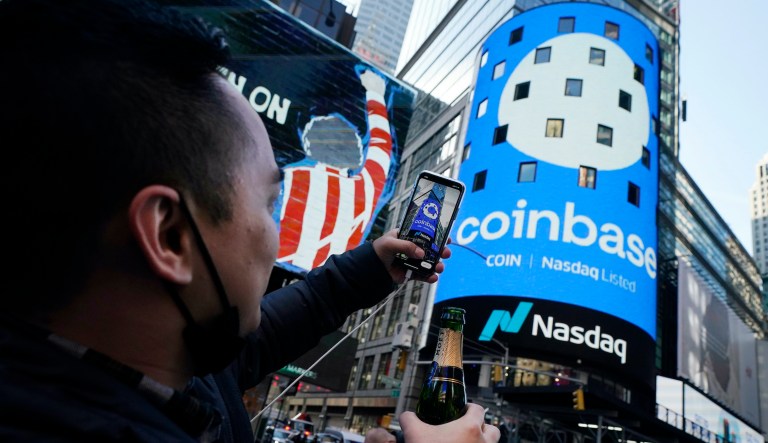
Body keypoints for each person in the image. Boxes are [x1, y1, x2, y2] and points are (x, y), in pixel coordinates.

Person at [0, 1, 500, 442]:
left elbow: (276, 328)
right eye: (267, 203)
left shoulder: (176, 365)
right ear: (170, 235)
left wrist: (371, 266)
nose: (274, 234)